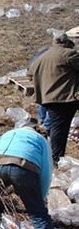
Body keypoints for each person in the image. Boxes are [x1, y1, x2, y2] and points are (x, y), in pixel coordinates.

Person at [0, 126, 53, 229]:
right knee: (37, 213)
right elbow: (46, 171)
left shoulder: (7, 134)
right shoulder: (40, 139)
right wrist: (40, 198)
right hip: (22, 166)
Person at [28, 33, 79, 163]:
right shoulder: (68, 54)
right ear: (67, 43)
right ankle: (55, 159)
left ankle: (56, 157)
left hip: (48, 97)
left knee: (58, 128)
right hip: (63, 97)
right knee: (59, 129)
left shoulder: (43, 55)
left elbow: (30, 72)